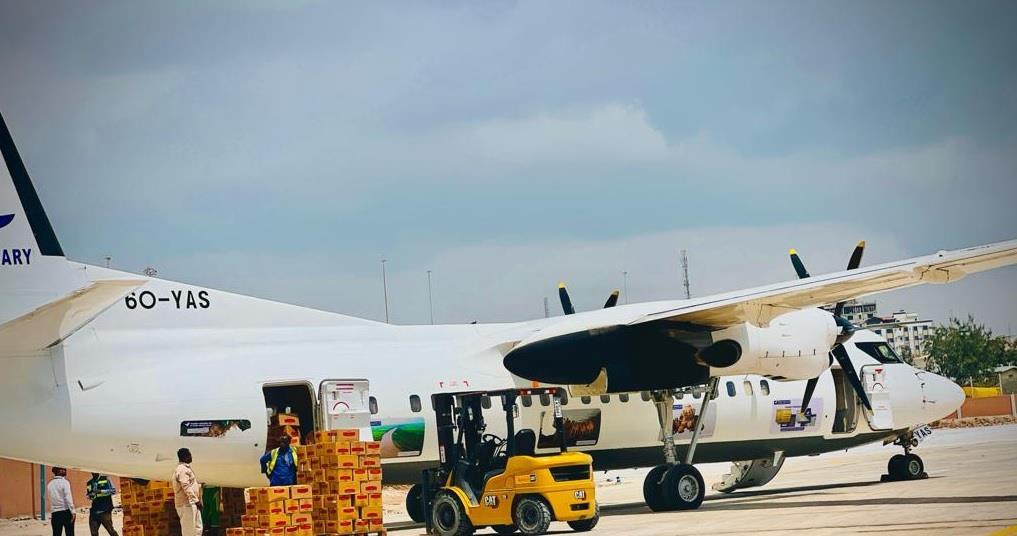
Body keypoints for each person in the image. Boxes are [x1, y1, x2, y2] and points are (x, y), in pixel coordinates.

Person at [172, 448, 203, 536]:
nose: (191, 457)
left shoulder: (185, 468)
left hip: (191, 503)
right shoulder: (182, 470)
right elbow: (185, 486)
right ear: (185, 457)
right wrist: (196, 500)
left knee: (197, 528)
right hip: (186, 504)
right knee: (189, 530)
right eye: (189, 455)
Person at [46, 467, 75, 536]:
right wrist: (73, 511)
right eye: (63, 469)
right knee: (70, 533)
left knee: (56, 533)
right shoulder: (65, 482)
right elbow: (68, 498)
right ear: (58, 471)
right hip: (65, 512)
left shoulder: (50, 484)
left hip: (55, 513)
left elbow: (50, 498)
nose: (65, 470)